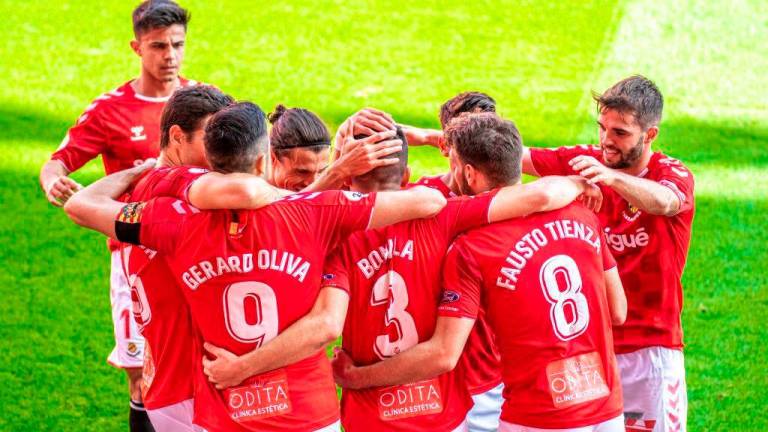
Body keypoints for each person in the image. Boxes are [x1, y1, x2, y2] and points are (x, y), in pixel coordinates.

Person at [65, 101, 448, 432]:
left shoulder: (171, 221)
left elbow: (81, 205)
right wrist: (386, 149)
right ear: (267, 160)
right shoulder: (318, 215)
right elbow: (428, 202)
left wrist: (140, 170)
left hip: (220, 410)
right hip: (306, 413)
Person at [333, 112, 627, 431]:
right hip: (603, 405)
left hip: (535, 414)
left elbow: (444, 353)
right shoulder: (581, 215)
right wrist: (574, 181)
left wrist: (356, 377)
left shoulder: (469, 246)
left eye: (455, 164)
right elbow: (618, 311)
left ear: (470, 174)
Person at [38, 1, 196, 429]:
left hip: (193, 252)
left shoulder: (204, 102)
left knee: (199, 368)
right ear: (136, 47)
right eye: (159, 46)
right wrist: (53, 180)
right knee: (142, 376)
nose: (171, 56)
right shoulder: (111, 110)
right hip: (132, 255)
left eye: (178, 45)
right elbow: (58, 162)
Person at [522, 75, 694, 432]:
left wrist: (609, 179)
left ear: (650, 135)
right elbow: (509, 159)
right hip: (589, 347)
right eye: (602, 128)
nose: (606, 141)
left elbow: (665, 202)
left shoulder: (670, 174)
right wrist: (422, 137)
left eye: (620, 133)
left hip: (650, 351)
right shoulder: (588, 160)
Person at [268, 105, 403, 191]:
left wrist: (341, 142)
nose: (314, 181)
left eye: (322, 171)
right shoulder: (253, 193)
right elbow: (288, 208)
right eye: (302, 172)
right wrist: (340, 170)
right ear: (273, 157)